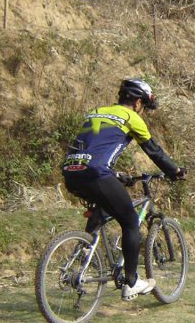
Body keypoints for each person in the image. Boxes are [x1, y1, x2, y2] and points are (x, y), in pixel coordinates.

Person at [62, 78, 186, 301]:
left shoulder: (96, 112)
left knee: (100, 211)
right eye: (145, 107)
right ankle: (131, 282)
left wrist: (117, 174)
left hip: (71, 172)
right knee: (129, 221)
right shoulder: (132, 118)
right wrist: (174, 171)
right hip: (97, 173)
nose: (144, 111)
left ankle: (82, 258)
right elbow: (154, 152)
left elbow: (94, 149)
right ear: (138, 102)